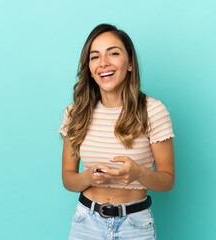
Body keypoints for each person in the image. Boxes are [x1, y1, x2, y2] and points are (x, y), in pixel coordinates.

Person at [59, 23, 175, 240]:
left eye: (113, 53)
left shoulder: (153, 111)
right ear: (89, 68)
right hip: (85, 223)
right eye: (94, 57)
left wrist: (138, 173)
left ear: (130, 63)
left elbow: (167, 181)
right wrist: (87, 177)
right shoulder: (75, 113)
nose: (103, 62)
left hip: (135, 226)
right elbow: (68, 179)